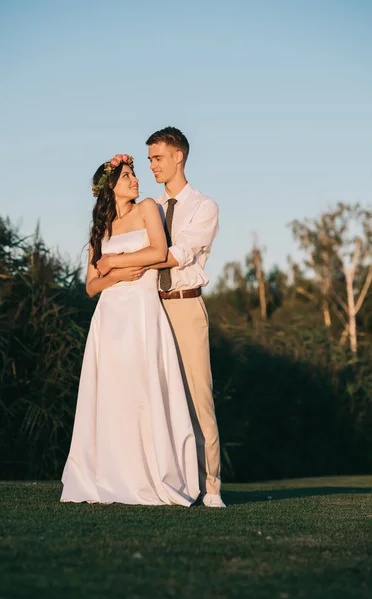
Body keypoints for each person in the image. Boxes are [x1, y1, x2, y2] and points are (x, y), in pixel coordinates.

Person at [60, 153, 199, 506]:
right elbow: (91, 286)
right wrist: (117, 275)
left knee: (142, 390)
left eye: (134, 174)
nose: (135, 180)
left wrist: (114, 261)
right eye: (126, 176)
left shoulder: (147, 208)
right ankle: (108, 475)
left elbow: (159, 249)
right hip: (110, 318)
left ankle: (148, 476)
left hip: (141, 312)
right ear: (110, 188)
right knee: (111, 395)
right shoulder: (100, 229)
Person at [98, 129, 225, 508]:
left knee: (198, 395)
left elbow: (172, 255)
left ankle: (212, 485)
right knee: (155, 398)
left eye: (156, 158)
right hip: (147, 307)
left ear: (178, 157)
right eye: (148, 160)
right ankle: (168, 480)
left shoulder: (204, 207)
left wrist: (117, 262)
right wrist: (114, 170)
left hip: (184, 305)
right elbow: (115, 213)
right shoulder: (147, 204)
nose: (151, 165)